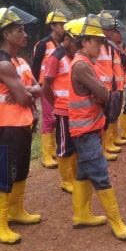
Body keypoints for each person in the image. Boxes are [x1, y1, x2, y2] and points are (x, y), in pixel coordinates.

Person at [68, 15, 126, 241]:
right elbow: (105, 94)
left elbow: (102, 94)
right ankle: (117, 222)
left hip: (89, 127)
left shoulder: (86, 63)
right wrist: (103, 95)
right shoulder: (81, 65)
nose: (100, 46)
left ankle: (81, 215)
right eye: (97, 42)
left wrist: (102, 95)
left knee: (84, 172)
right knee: (100, 173)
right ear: (84, 42)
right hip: (84, 129)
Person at [0, 6, 42, 244]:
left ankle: (16, 212)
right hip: (7, 127)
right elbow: (25, 98)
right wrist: (27, 92)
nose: (25, 34)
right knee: (4, 175)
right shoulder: (3, 64)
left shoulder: (21, 61)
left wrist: (26, 90)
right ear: (5, 34)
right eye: (19, 30)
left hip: (23, 124)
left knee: (20, 171)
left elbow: (40, 89)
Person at [42, 19, 81, 194]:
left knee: (75, 143)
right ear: (68, 40)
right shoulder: (55, 57)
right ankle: (66, 180)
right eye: (76, 43)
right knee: (65, 145)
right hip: (64, 109)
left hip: (76, 109)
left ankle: (75, 175)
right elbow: (46, 85)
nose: (78, 47)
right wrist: (56, 103)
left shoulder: (73, 56)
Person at [31, 9, 70, 169]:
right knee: (48, 119)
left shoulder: (64, 45)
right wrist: (35, 87)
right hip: (45, 86)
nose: (63, 27)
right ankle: (46, 155)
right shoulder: (42, 45)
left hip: (60, 88)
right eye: (60, 24)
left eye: (64, 24)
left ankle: (53, 150)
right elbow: (35, 67)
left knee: (56, 119)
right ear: (53, 26)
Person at [95, 10, 125, 161]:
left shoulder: (107, 45)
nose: (112, 31)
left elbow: (110, 68)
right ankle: (101, 149)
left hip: (108, 89)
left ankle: (104, 147)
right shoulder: (96, 44)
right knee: (99, 121)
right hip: (98, 90)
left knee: (106, 119)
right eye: (109, 28)